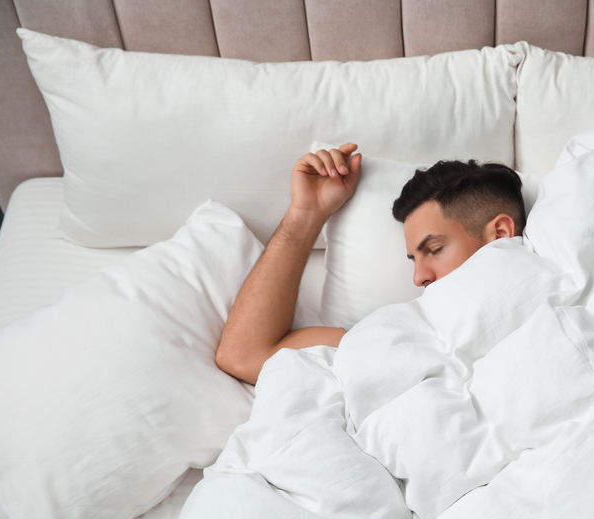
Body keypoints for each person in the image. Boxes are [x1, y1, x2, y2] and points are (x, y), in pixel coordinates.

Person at [216, 143, 527, 384]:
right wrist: (306, 213)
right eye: (413, 259)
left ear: (500, 233)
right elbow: (244, 356)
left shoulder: (564, 292)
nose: (418, 278)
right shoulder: (403, 331)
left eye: (434, 249)